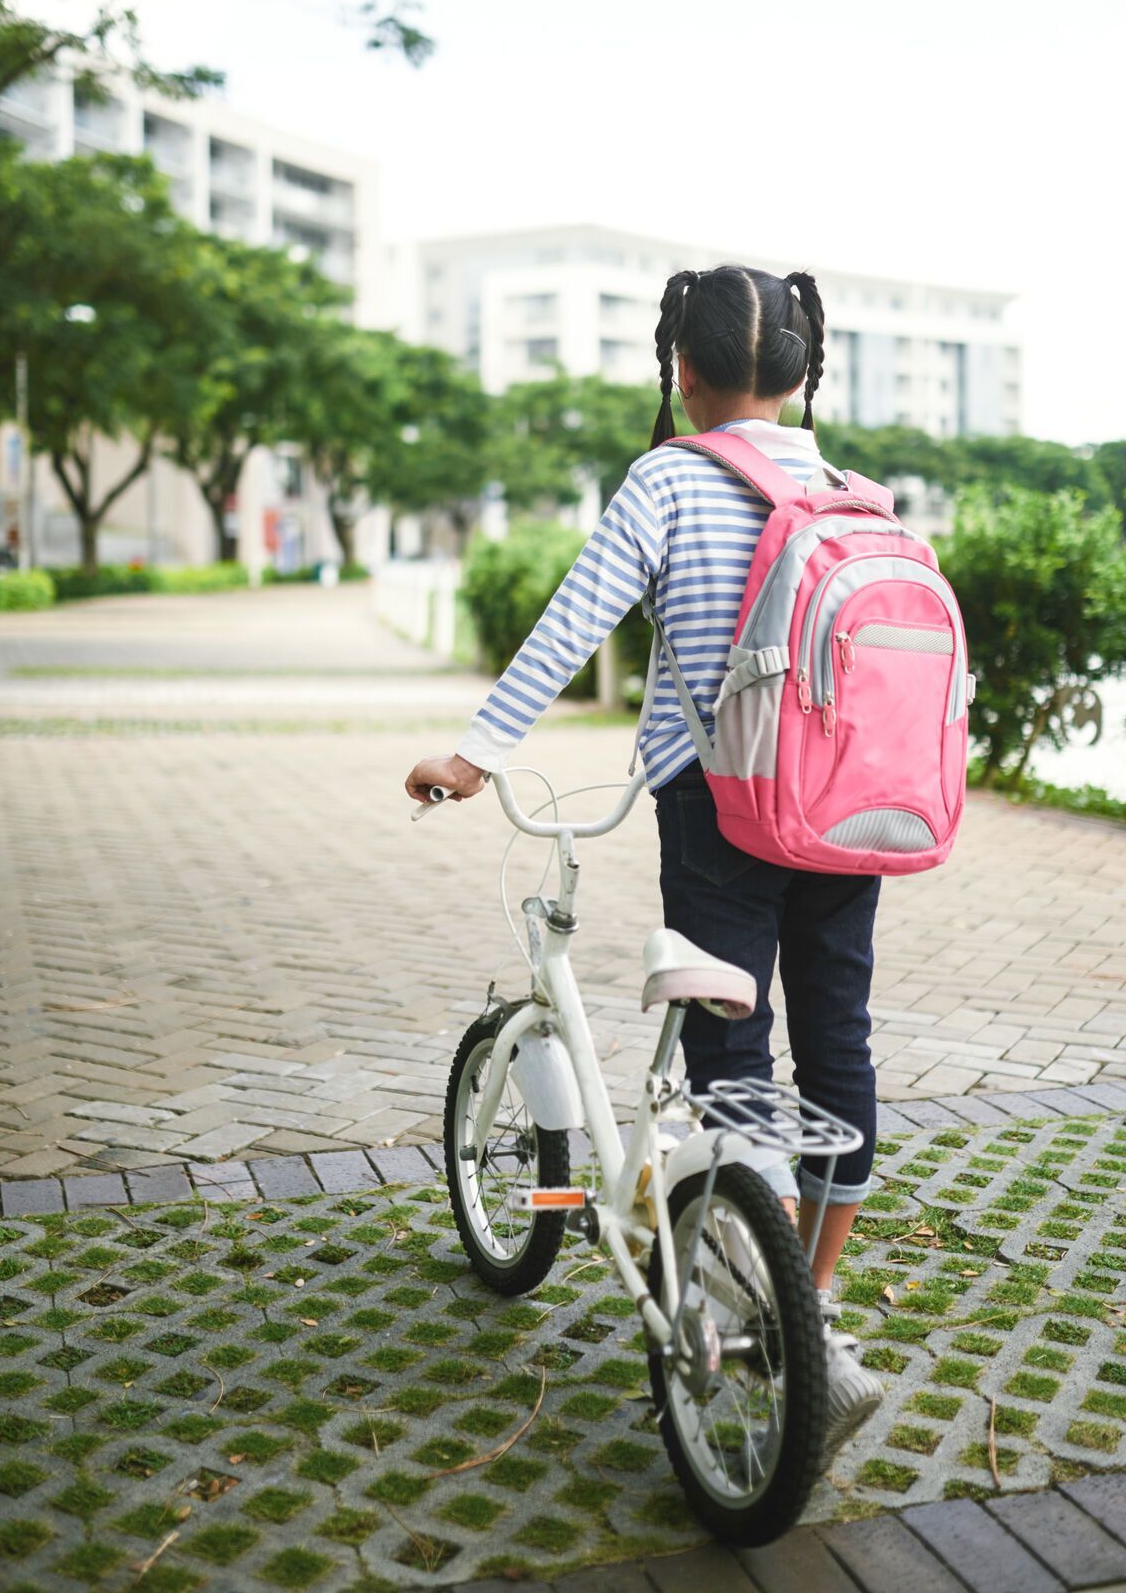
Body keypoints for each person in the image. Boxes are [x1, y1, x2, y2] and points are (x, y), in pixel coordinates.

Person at [405, 263, 883, 1462]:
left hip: (719, 805)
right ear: (799, 370)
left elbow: (578, 616)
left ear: (684, 368)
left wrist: (477, 753)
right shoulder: (850, 486)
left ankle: (778, 1320)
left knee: (731, 1043)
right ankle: (811, 1301)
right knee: (838, 1041)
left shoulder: (671, 475)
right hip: (845, 808)